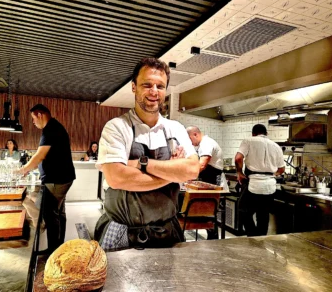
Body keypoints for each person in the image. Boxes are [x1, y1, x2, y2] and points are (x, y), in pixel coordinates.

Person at [94, 57, 200, 251]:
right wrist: (173, 173)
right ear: (134, 87)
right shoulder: (117, 127)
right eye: (147, 85)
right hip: (123, 232)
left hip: (168, 231)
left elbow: (192, 169)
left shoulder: (175, 128)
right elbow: (117, 177)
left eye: (160, 86)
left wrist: (140, 163)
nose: (154, 91)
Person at [20, 104, 75, 254]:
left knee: (50, 214)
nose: (33, 122)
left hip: (57, 178)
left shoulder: (50, 129)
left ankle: (54, 251)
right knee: (59, 213)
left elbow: (40, 155)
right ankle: (59, 247)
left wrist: (23, 170)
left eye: (33, 119)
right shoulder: (54, 127)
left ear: (39, 114)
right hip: (62, 177)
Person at [235, 124, 285, 237]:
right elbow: (281, 169)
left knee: (243, 211)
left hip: (253, 183)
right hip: (270, 186)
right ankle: (261, 239)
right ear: (266, 133)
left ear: (253, 133)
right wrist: (271, 174)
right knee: (263, 215)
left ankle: (253, 235)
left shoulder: (248, 141)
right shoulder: (276, 146)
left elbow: (238, 158)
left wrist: (239, 173)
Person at [186, 126, 224, 240]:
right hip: (207, 180)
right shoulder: (202, 144)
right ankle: (211, 237)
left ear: (195, 134)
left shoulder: (207, 143)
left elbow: (202, 165)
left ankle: (213, 239)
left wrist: (188, 177)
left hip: (212, 181)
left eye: (190, 140)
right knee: (205, 211)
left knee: (209, 211)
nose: (191, 143)